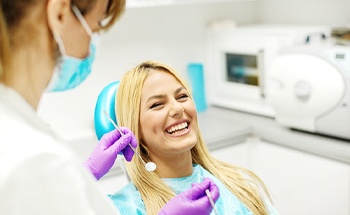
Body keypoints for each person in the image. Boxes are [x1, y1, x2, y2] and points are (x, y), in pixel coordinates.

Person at [0, 1, 219, 214]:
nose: (91, 47)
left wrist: (86, 172)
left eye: (182, 96)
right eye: (95, 27)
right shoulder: (32, 160)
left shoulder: (19, 134)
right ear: (60, 14)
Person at [109, 60, 280, 215]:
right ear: (134, 128)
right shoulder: (123, 208)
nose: (177, 109)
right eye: (157, 104)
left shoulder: (238, 185)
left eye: (182, 96)